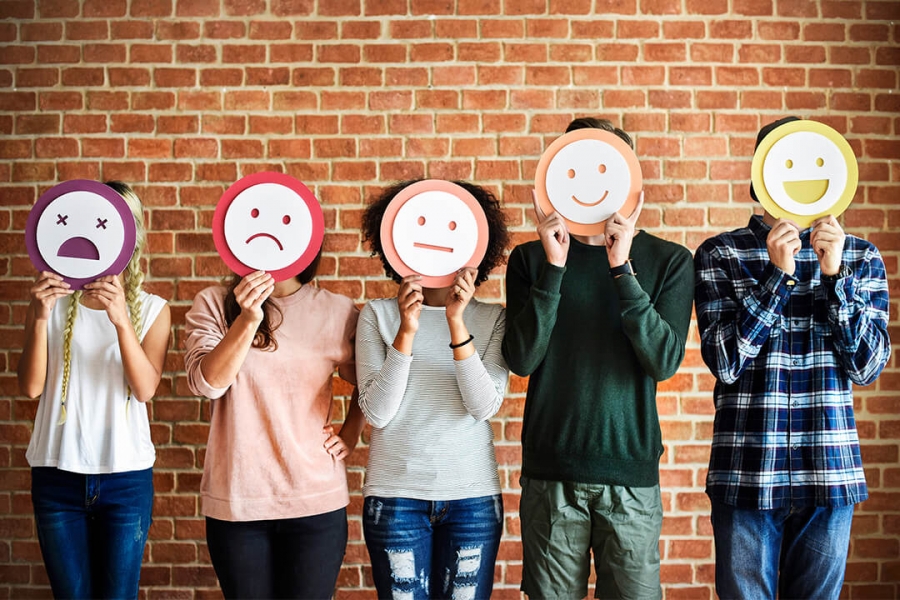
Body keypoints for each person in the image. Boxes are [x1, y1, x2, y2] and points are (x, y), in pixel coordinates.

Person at [694, 116, 891, 600]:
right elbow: (724, 362)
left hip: (829, 468)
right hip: (746, 470)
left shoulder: (861, 258)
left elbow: (866, 368)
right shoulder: (721, 254)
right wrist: (778, 278)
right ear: (758, 176)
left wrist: (834, 276)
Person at [503, 118, 695, 599]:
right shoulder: (529, 261)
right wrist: (555, 267)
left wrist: (621, 267)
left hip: (630, 478)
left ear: (630, 181)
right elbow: (521, 359)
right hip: (551, 478)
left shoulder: (669, 261)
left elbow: (664, 361)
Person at [356, 179, 510, 600]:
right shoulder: (378, 315)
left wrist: (456, 323)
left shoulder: (492, 318)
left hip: (472, 500)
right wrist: (408, 329)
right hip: (395, 500)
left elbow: (483, 406)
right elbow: (378, 413)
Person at [19, 181, 171, 599]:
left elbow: (144, 389)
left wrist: (121, 320)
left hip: (125, 480)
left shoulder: (154, 309)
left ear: (130, 237)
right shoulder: (53, 302)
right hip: (56, 474)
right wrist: (37, 317)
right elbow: (31, 388)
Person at [183, 251, 363, 599]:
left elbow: (373, 381)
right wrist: (248, 319)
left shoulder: (336, 310)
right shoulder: (214, 304)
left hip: (315, 502)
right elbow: (207, 384)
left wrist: (351, 432)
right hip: (238, 503)